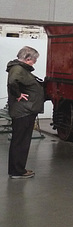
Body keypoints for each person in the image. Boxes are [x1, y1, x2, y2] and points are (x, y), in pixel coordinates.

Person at [6, 46, 44, 179]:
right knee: (20, 141)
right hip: (23, 111)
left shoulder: (20, 69)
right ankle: (17, 171)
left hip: (25, 110)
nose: (35, 62)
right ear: (28, 59)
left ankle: (18, 169)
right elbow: (12, 82)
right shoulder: (18, 69)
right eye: (34, 60)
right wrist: (18, 95)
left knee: (21, 141)